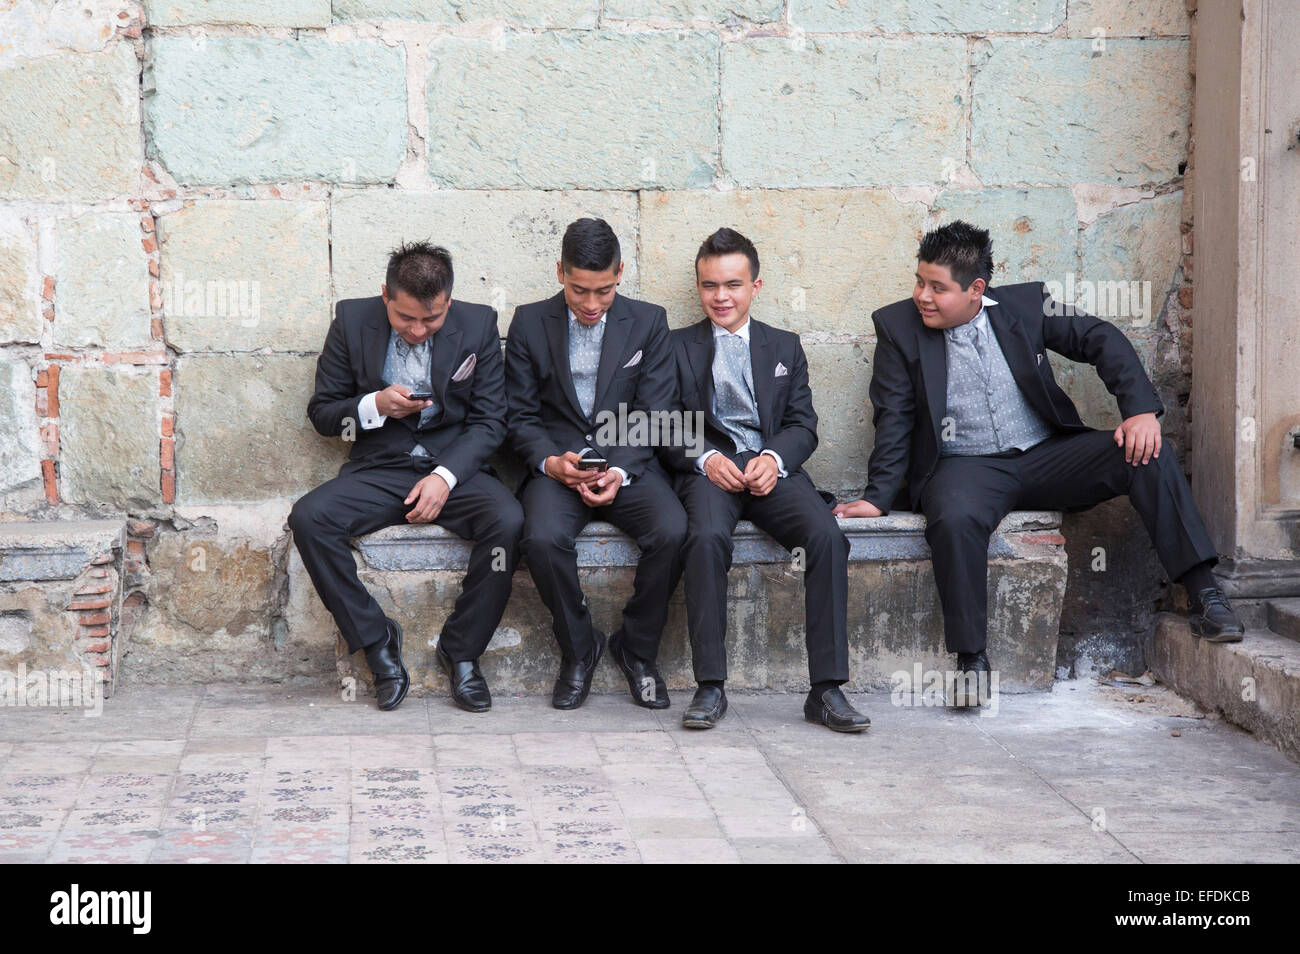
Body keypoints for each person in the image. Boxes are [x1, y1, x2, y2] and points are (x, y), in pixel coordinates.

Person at [834, 220, 1243, 705]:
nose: (923, 295)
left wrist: (1139, 411)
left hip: (1047, 456)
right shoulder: (898, 327)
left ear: (976, 289)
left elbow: (1100, 337)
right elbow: (894, 417)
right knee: (954, 516)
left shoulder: (1025, 306)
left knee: (1147, 454)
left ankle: (1205, 594)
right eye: (920, 281)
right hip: (967, 467)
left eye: (937, 287)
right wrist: (877, 498)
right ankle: (972, 662)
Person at [289, 242, 523, 713]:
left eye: (431, 320)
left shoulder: (478, 325)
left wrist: (445, 476)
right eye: (405, 319)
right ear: (385, 296)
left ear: (449, 303)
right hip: (381, 466)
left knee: (509, 522)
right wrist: (372, 405)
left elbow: (491, 421)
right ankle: (376, 640)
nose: (418, 331)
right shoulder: (352, 321)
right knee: (310, 519)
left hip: (454, 468)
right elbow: (322, 413)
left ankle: (462, 652)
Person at [664, 227, 870, 733]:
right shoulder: (674, 346)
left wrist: (774, 458)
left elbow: (804, 424)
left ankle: (826, 690)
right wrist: (705, 457)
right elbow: (660, 420)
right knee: (706, 538)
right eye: (710, 285)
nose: (721, 296)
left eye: (733, 284)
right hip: (711, 473)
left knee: (826, 537)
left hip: (772, 472)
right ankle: (710, 686)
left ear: (755, 287)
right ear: (699, 287)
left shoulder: (784, 346)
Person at [505, 218, 687, 711]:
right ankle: (579, 648)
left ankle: (637, 649)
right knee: (540, 539)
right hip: (557, 468)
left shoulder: (649, 321)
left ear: (621, 273)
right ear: (559, 271)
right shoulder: (527, 322)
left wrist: (620, 470)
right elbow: (518, 416)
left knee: (672, 530)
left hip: (627, 462)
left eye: (603, 291)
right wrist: (549, 462)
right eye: (578, 290)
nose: (590, 304)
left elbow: (658, 414)